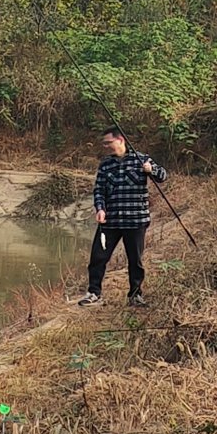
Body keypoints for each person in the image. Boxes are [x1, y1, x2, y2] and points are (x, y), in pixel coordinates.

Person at [78, 126, 168, 307]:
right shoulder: (105, 164)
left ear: (120, 140)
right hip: (110, 221)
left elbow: (163, 176)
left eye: (108, 142)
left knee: (135, 260)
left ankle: (135, 295)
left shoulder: (141, 159)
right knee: (98, 258)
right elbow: (99, 190)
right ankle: (94, 293)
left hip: (136, 221)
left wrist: (151, 169)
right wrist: (100, 209)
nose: (105, 146)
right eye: (104, 143)